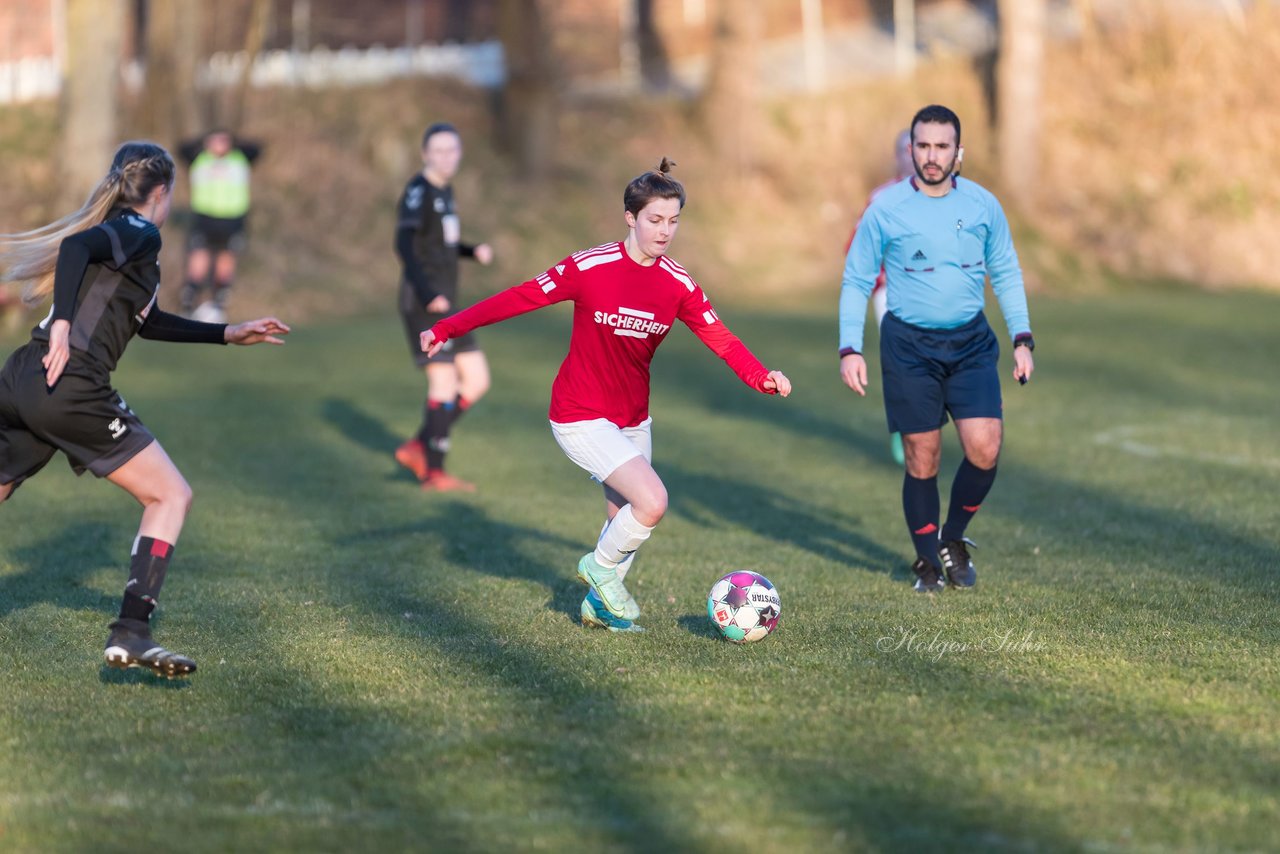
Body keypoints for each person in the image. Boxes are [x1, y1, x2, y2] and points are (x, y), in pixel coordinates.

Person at [421, 159, 791, 632]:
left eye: (673, 220)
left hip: (633, 417)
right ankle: (597, 572)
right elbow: (518, 297)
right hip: (578, 414)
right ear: (630, 217)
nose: (665, 231)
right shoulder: (589, 267)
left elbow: (721, 339)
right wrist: (447, 328)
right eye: (655, 220)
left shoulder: (677, 285)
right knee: (652, 502)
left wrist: (760, 376)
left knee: (623, 522)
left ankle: (598, 609)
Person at [0, 141, 290, 676]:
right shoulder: (140, 231)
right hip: (72, 385)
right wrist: (63, 319)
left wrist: (227, 332)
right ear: (163, 193)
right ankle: (131, 632)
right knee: (170, 494)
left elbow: (148, 321)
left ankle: (133, 633)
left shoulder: (125, 245)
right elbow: (73, 251)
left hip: (24, 375)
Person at [839, 105, 1035, 593]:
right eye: (922, 146)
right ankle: (927, 562)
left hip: (970, 342)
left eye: (941, 146)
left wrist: (1022, 337)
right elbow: (857, 278)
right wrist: (850, 347)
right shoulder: (885, 208)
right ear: (911, 149)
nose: (930, 156)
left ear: (958, 152)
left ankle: (953, 538)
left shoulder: (983, 205)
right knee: (921, 458)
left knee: (985, 448)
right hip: (909, 347)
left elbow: (1006, 271)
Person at [393, 122, 494, 492]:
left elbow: (441, 243)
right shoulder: (418, 191)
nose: (446, 157)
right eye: (438, 150)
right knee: (444, 381)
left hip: (448, 303)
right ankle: (433, 472)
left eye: (452, 150)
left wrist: (471, 251)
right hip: (424, 301)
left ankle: (420, 444)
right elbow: (404, 245)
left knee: (478, 380)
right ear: (425, 155)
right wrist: (428, 292)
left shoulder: (444, 190)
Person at [844, 128, 914, 466]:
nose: (913, 154)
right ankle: (904, 427)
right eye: (906, 148)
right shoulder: (881, 198)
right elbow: (856, 249)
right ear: (897, 156)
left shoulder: (947, 195)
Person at [177, 129, 262, 322]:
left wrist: (232, 140)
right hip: (205, 217)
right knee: (198, 260)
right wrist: (205, 139)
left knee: (226, 261)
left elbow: (257, 148)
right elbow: (181, 148)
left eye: (224, 140)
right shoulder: (200, 157)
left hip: (233, 218)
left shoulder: (239, 158)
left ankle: (218, 306)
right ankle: (188, 305)